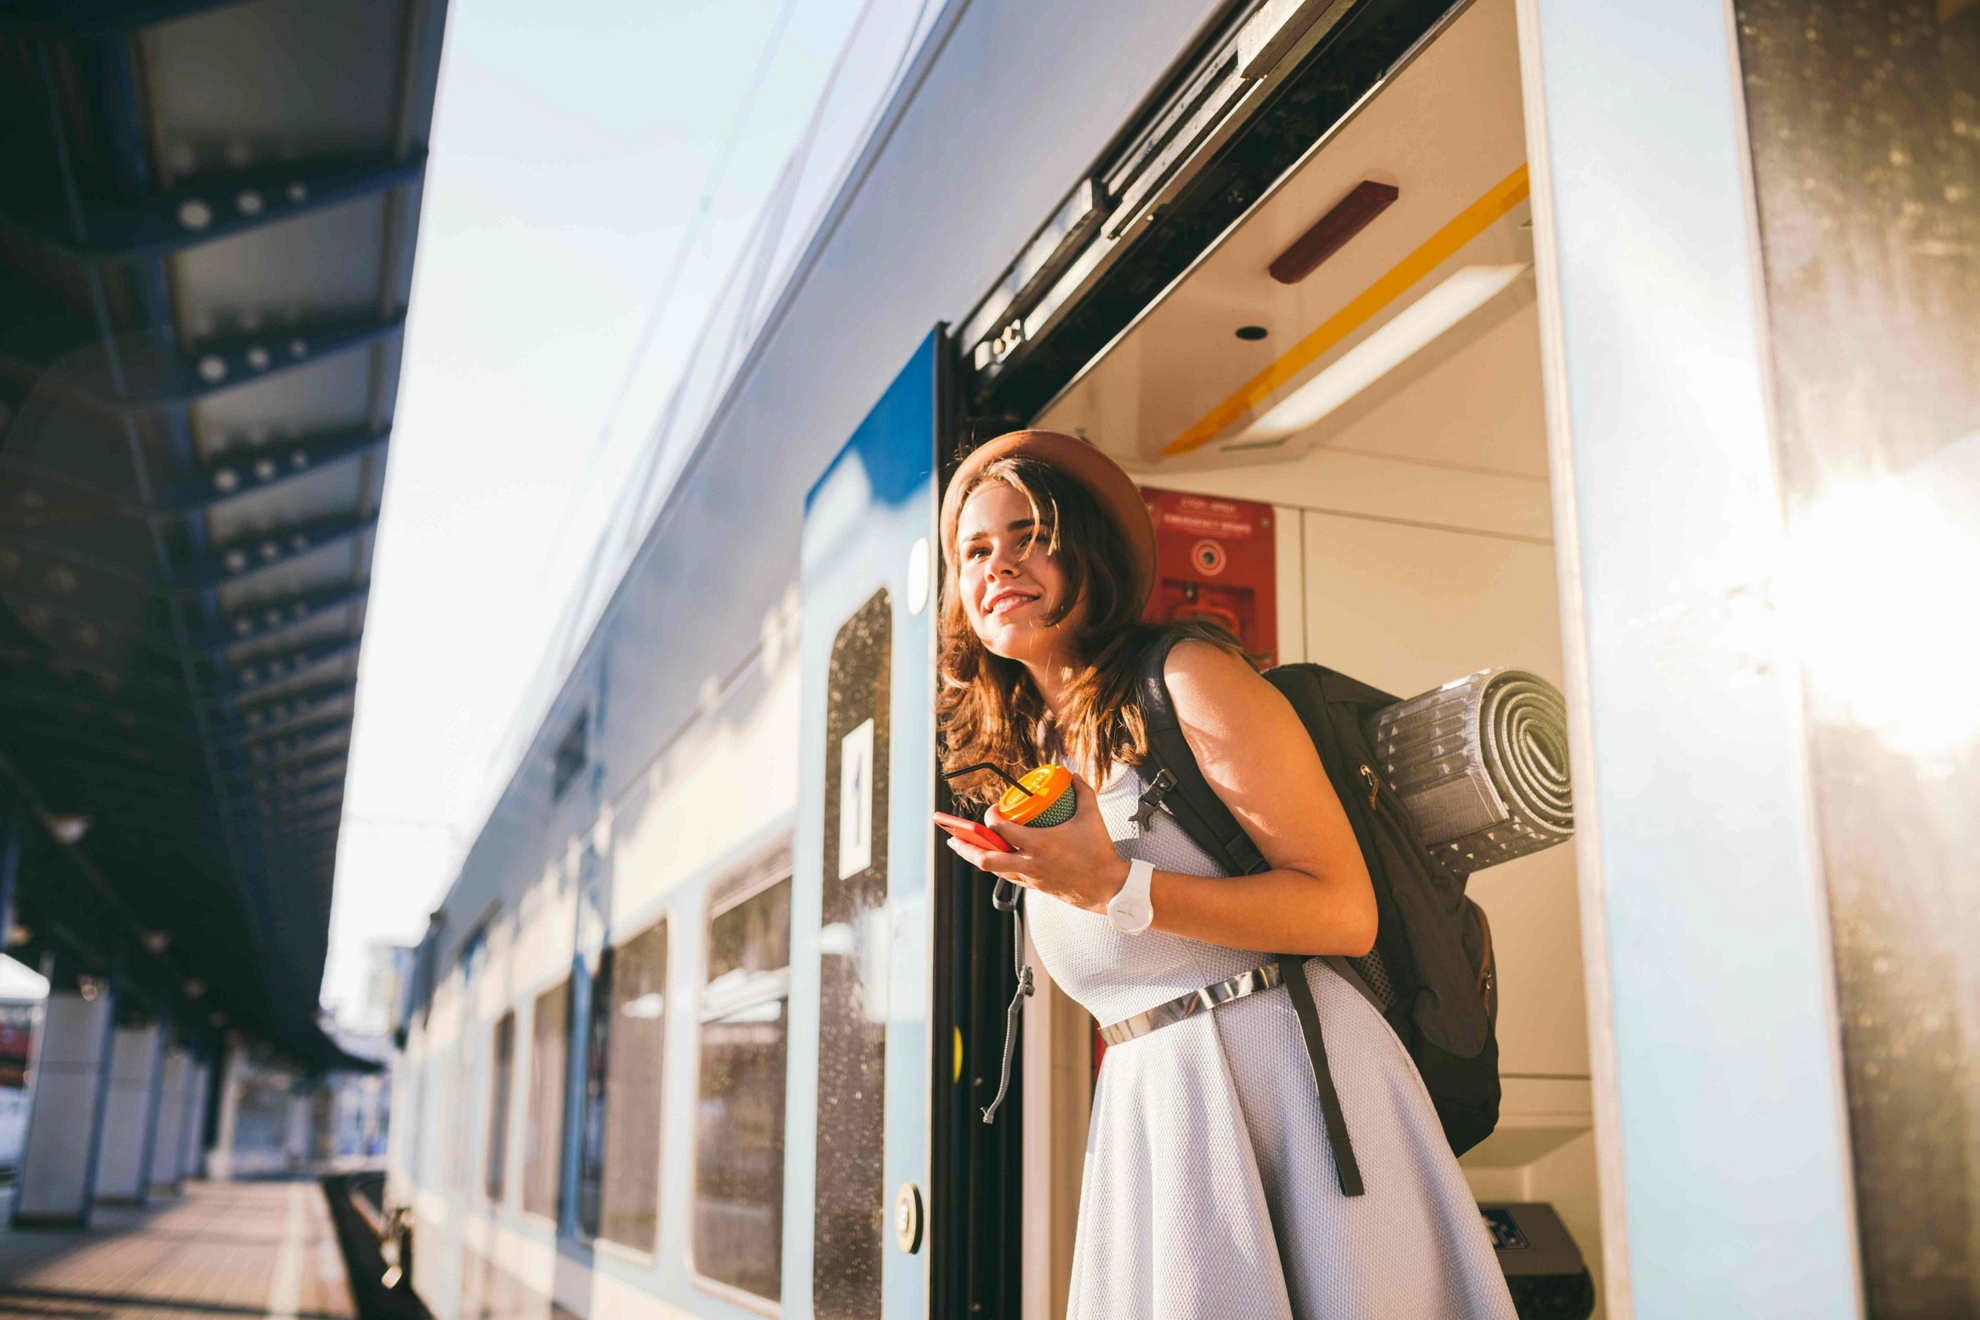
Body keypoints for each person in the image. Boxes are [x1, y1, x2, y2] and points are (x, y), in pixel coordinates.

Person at [937, 430, 1517, 1320]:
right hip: (1155, 1102)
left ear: (1086, 549)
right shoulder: (1039, 749)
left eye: (1029, 536)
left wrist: (1114, 890)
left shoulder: (1187, 675)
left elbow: (1341, 911)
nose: (998, 564)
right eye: (975, 550)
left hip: (1287, 1082)